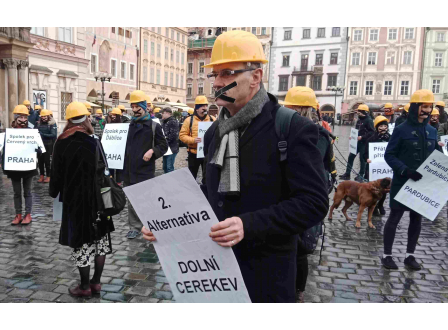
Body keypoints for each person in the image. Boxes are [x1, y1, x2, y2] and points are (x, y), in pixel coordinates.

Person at [142, 30, 329, 303]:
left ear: (255, 76)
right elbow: (211, 192)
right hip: (216, 272)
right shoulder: (213, 132)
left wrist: (247, 224)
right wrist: (168, 225)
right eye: (214, 75)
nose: (218, 83)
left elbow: (313, 203)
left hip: (267, 274)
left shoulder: (292, 128)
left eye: (228, 73)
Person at [49, 101, 115, 297]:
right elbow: (105, 168)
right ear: (87, 119)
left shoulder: (61, 142)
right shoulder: (94, 140)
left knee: (81, 242)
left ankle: (84, 287)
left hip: (75, 202)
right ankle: (96, 283)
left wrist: (54, 192)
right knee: (100, 241)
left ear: (68, 121)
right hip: (98, 200)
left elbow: (56, 177)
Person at [283, 86, 336, 303]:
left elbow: (321, 170)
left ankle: (297, 291)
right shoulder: (288, 129)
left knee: (300, 248)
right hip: (293, 195)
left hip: (303, 197)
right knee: (293, 248)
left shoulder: (317, 135)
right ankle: (295, 290)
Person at [383, 89, 440, 271]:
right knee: (394, 218)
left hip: (422, 184)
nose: (427, 110)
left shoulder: (432, 130)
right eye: (424, 106)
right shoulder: (400, 130)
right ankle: (387, 255)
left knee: (416, 220)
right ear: (415, 107)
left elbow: (436, 157)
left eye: (430, 107)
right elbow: (389, 155)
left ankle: (410, 255)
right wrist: (405, 170)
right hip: (402, 182)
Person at [123, 90, 168, 239]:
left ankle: (150, 225)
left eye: (138, 107)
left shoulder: (154, 126)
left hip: (145, 169)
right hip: (129, 169)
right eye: (133, 107)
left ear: (145, 107)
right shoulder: (129, 125)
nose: (135, 110)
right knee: (132, 200)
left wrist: (152, 152)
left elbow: (163, 146)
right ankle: (134, 226)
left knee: (147, 199)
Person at [2, 105, 40, 225]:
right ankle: (18, 214)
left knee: (27, 192)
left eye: (25, 117)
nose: (23, 119)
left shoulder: (32, 132)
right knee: (17, 192)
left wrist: (35, 147)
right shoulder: (9, 133)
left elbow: (39, 150)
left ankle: (28, 215)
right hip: (14, 168)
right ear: (16, 118)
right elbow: (4, 150)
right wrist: (4, 165)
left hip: (28, 168)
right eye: (20, 116)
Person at [179, 95, 215, 179]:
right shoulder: (189, 120)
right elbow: (182, 136)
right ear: (197, 108)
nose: (204, 108)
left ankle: (205, 191)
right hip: (193, 153)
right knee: (191, 177)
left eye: (206, 105)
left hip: (208, 153)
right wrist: (193, 140)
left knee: (207, 178)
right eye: (202, 106)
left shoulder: (212, 119)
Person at [339, 104, 374, 182]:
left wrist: (362, 137)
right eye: (358, 111)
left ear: (364, 112)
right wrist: (353, 136)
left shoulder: (369, 120)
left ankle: (361, 175)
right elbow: (356, 130)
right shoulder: (359, 120)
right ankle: (347, 173)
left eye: (359, 111)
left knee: (362, 159)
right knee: (351, 157)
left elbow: (372, 132)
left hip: (364, 143)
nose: (358, 113)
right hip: (356, 142)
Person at [364, 115, 390, 215]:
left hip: (386, 168)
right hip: (373, 168)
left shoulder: (391, 138)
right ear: (376, 127)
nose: (383, 128)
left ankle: (381, 205)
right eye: (381, 126)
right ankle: (373, 206)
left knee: (385, 188)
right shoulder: (371, 139)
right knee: (375, 188)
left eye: (385, 126)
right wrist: (367, 159)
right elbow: (364, 153)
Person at [36, 109, 57, 183]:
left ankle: (48, 176)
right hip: (39, 145)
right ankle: (41, 175)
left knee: (47, 161)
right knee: (40, 161)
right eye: (42, 116)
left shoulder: (52, 123)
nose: (43, 118)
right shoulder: (38, 123)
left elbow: (53, 135)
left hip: (48, 145)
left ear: (48, 116)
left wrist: (42, 135)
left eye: (45, 116)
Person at [106, 108, 124, 184]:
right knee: (111, 168)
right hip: (111, 150)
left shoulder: (123, 126)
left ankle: (118, 184)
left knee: (119, 168)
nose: (113, 116)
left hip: (120, 151)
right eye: (112, 115)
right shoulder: (109, 126)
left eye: (114, 115)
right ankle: (112, 183)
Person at [161, 107, 179, 173]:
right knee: (165, 167)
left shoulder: (173, 121)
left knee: (169, 167)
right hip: (165, 148)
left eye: (163, 113)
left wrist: (163, 141)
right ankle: (166, 181)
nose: (161, 114)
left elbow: (173, 135)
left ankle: (171, 182)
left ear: (168, 113)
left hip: (172, 148)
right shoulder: (164, 122)